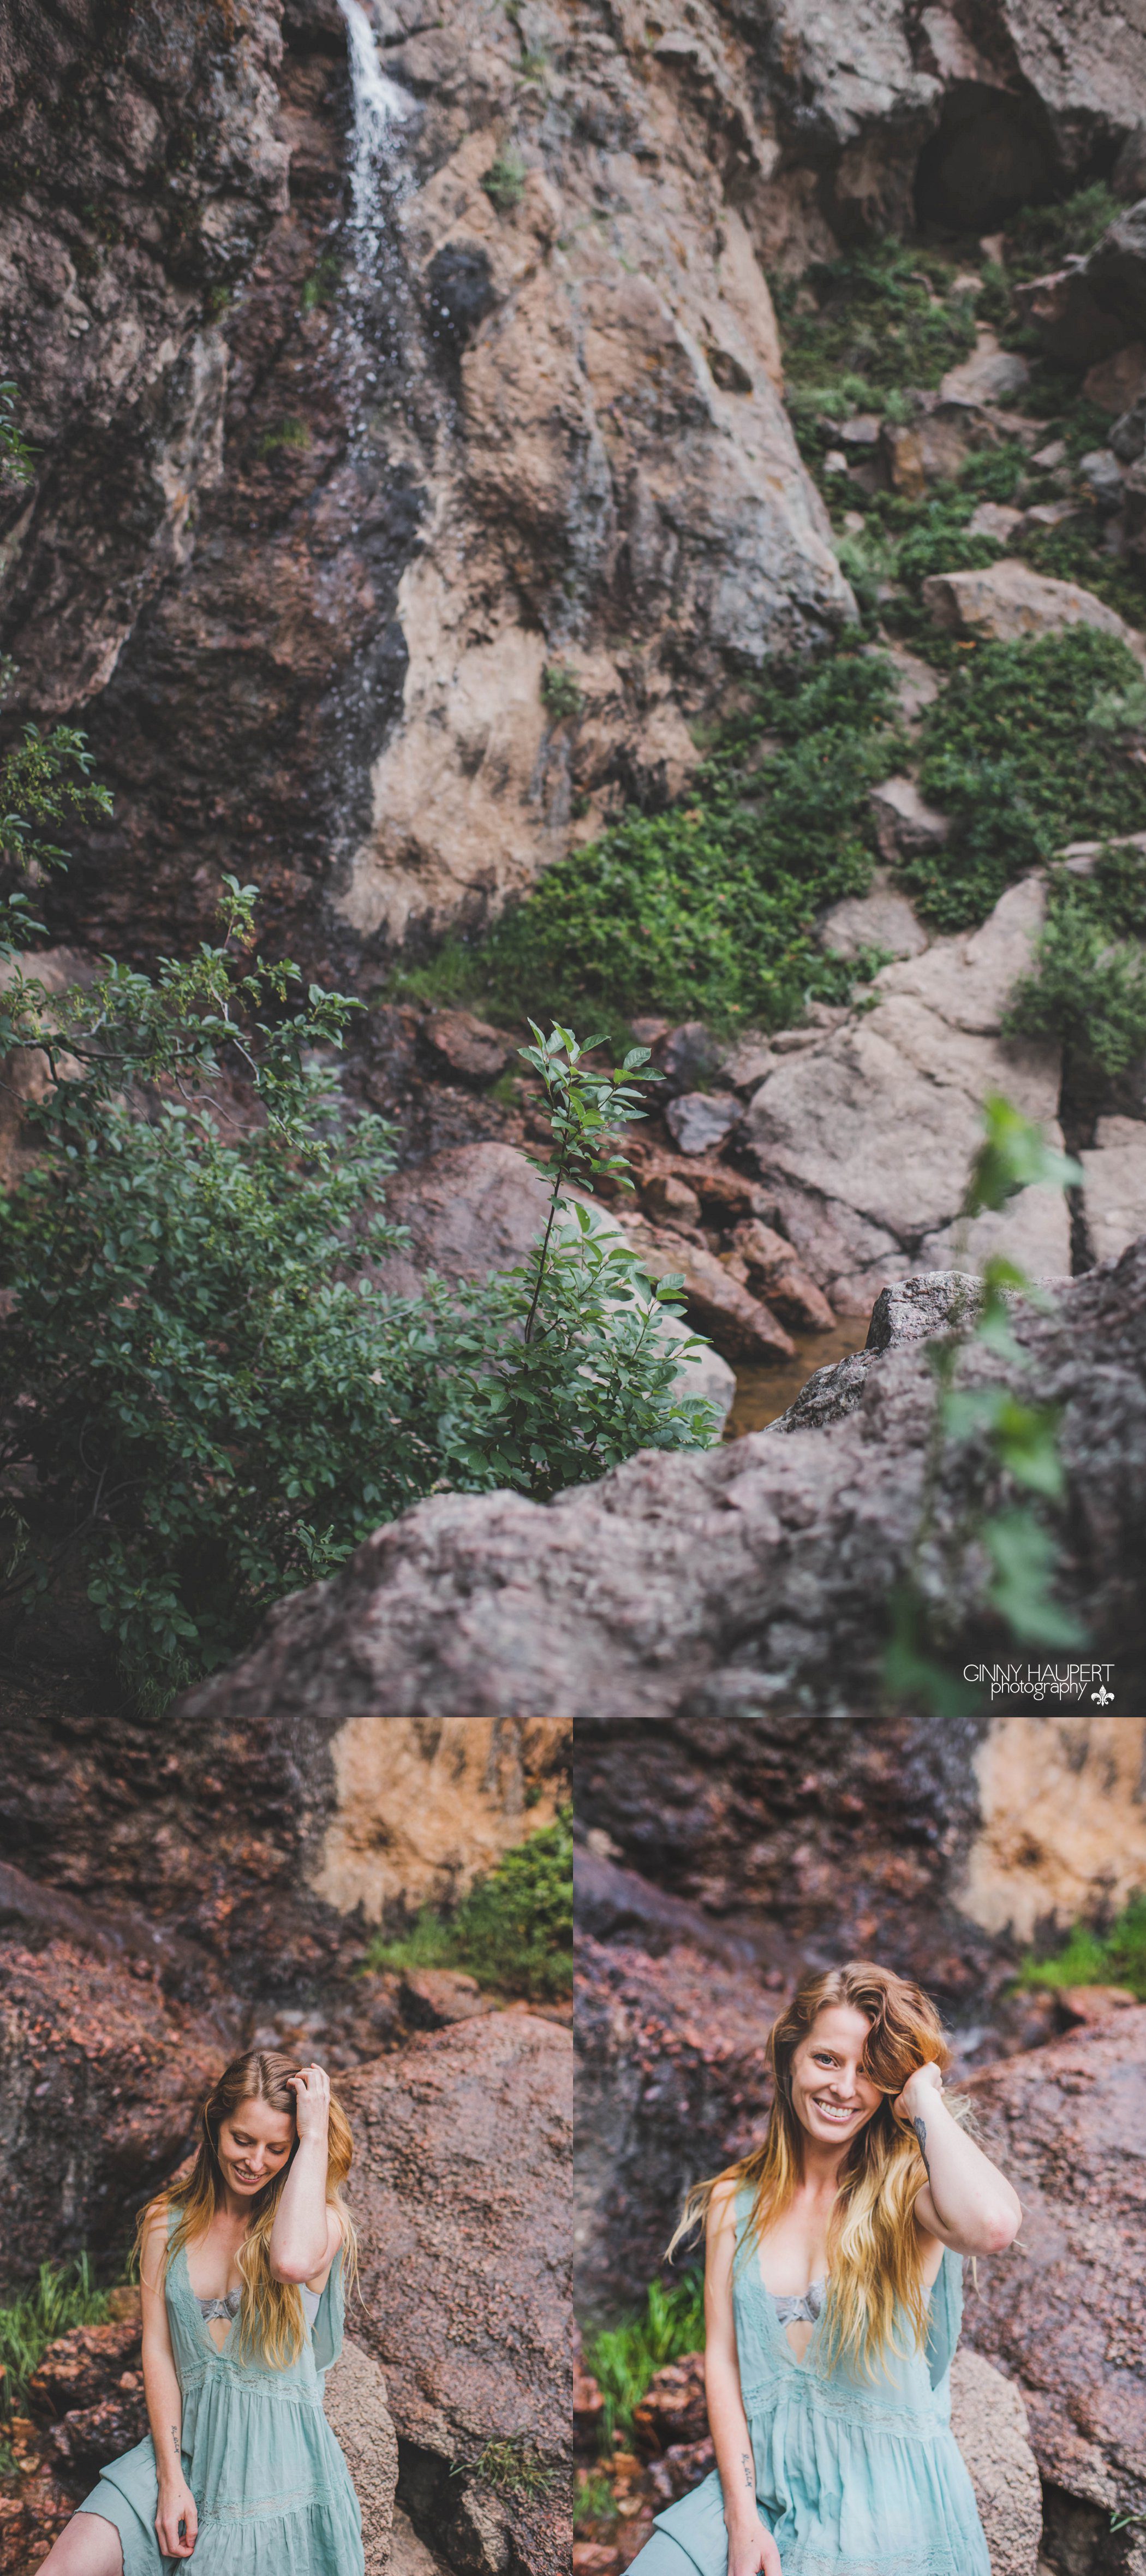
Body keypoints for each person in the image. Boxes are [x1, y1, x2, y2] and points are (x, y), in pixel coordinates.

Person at [626, 1961, 1023, 2576]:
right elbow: (724, 2359)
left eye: (870, 2071)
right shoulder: (735, 2199)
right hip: (761, 2491)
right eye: (828, 2060)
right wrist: (740, 2517)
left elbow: (993, 2226)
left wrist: (923, 2096)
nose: (845, 2088)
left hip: (885, 2507)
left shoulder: (909, 2193)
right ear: (790, 2060)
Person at [34, 2049, 366, 2574]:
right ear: (214, 2128)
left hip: (275, 2475)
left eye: (277, 2148)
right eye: (243, 2139)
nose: (256, 2161)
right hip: (185, 2453)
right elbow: (160, 2349)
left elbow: (289, 2262)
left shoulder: (320, 2225)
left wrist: (317, 2136)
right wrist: (170, 2480)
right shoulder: (166, 2222)